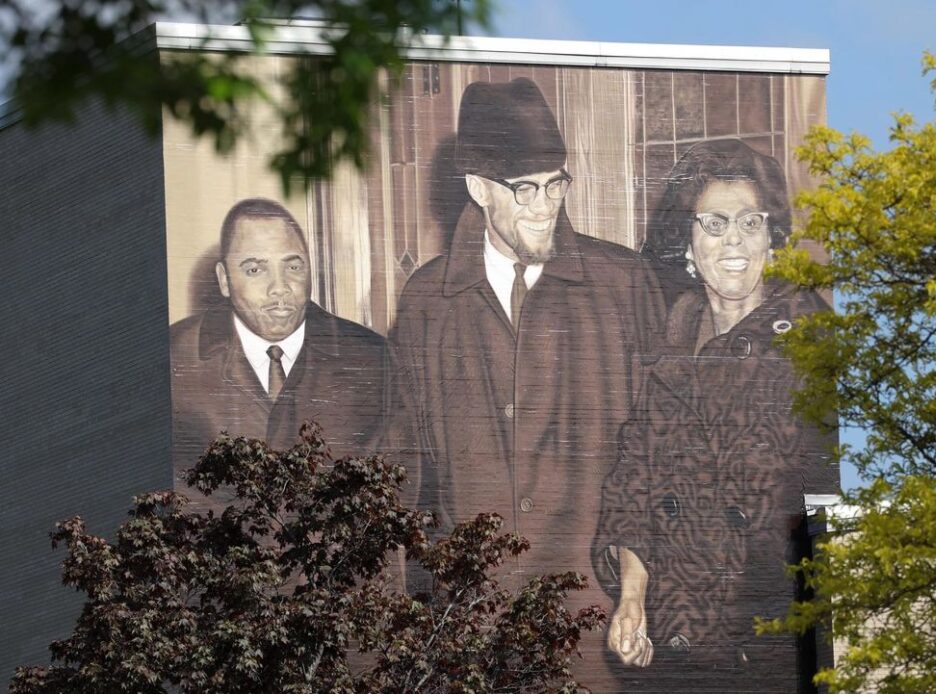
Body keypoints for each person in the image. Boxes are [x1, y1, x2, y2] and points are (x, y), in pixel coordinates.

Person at [390, 77, 665, 690]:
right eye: (525, 191)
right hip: (473, 643)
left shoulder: (624, 286)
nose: (546, 207)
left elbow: (657, 461)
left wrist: (636, 591)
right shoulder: (425, 304)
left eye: (556, 185)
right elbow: (411, 485)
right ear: (478, 189)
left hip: (599, 631)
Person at [593, 139, 840, 692]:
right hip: (681, 656)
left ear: (772, 240)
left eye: (750, 223)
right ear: (687, 242)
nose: (734, 240)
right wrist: (633, 596)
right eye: (714, 223)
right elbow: (635, 483)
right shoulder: (668, 348)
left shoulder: (812, 346)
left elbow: (829, 507)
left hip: (777, 654)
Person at [169, 198, 402, 505]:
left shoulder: (371, 360)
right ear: (224, 280)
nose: (279, 287)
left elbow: (396, 498)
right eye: (255, 269)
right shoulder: (174, 358)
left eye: (293, 266)